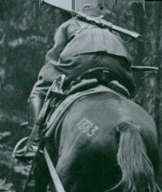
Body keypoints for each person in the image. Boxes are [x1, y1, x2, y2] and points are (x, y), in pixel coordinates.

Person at [21, 0, 135, 157]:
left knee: (39, 90)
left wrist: (51, 71)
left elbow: (55, 56)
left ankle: (34, 142)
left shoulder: (69, 24)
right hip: (117, 64)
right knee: (128, 93)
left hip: (81, 60)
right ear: (99, 11)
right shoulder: (110, 28)